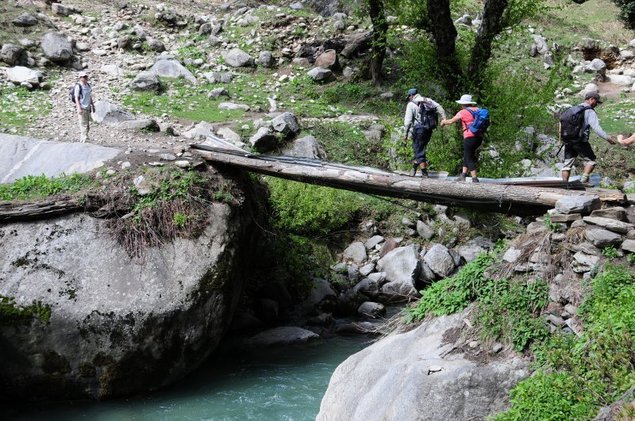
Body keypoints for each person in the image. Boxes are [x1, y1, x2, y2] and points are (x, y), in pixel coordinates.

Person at [559, 92, 616, 184]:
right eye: (596, 102)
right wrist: (608, 138)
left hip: (568, 140)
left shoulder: (573, 109)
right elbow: (597, 128)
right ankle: (583, 181)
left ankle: (564, 185)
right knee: (591, 161)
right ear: (591, 99)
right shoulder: (589, 111)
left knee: (567, 165)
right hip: (580, 141)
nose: (596, 104)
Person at [439, 94, 483, 182]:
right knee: (467, 155)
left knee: (469, 157)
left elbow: (451, 121)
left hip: (469, 137)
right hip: (479, 137)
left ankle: (474, 179)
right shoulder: (478, 110)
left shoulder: (462, 112)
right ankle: (463, 175)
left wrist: (443, 122)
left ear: (463, 104)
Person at [403, 90, 446, 177]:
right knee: (419, 149)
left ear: (411, 95)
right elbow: (440, 108)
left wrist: (405, 135)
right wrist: (444, 118)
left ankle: (424, 173)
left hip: (419, 130)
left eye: (409, 97)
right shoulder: (428, 100)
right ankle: (414, 168)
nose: (409, 98)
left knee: (419, 150)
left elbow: (407, 122)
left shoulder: (411, 104)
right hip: (429, 129)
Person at [74, 72, 95, 143]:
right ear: (80, 78)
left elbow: (89, 96)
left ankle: (83, 138)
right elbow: (76, 98)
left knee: (87, 125)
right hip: (82, 107)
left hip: (88, 107)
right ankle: (85, 139)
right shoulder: (78, 86)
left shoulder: (88, 85)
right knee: (83, 124)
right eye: (83, 77)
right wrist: (79, 108)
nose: (85, 78)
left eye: (86, 76)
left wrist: (93, 105)